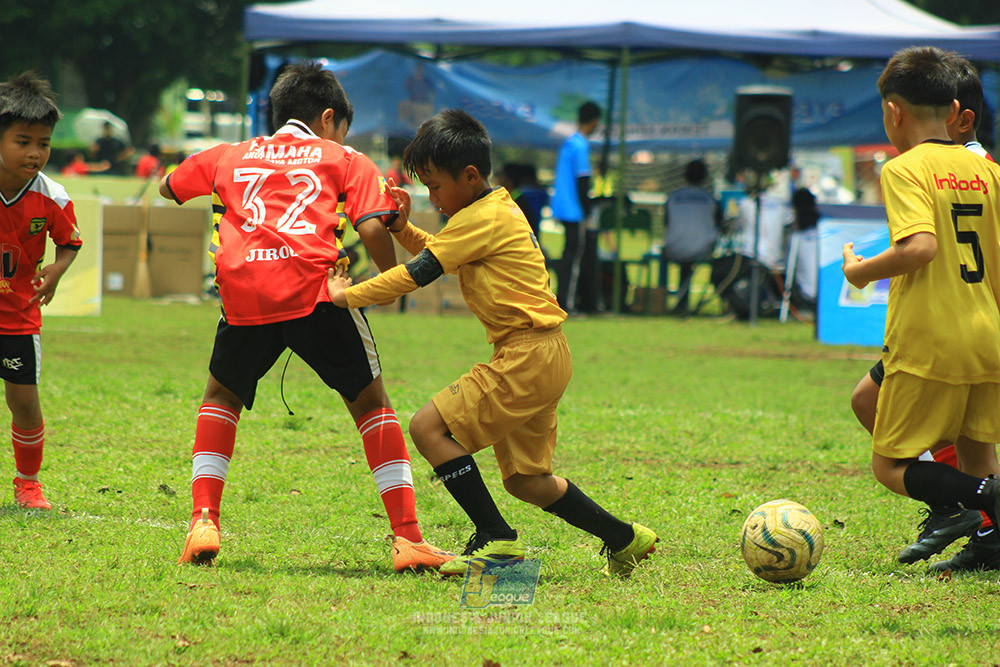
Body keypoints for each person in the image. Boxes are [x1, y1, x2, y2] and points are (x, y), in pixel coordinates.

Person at [326, 109, 657, 577]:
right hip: (545, 353)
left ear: (470, 175)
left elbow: (420, 274)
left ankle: (496, 538)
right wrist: (402, 229)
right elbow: (448, 253)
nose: (432, 197)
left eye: (435, 187)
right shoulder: (489, 210)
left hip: (526, 354)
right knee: (527, 480)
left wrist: (347, 297)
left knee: (426, 428)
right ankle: (625, 538)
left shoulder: (483, 217)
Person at [159, 61, 453, 572]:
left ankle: (204, 519)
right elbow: (372, 228)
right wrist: (391, 282)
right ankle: (408, 539)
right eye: (342, 127)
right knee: (371, 406)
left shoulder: (229, 155)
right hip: (317, 294)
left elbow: (168, 187)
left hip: (244, 295)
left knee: (221, 397)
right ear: (327, 117)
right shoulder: (345, 158)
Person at [841, 46, 1000, 574]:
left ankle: (962, 506)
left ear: (893, 112)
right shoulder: (987, 171)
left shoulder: (904, 168)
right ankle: (991, 541)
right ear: (954, 113)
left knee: (889, 464)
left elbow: (920, 248)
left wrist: (860, 271)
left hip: (932, 334)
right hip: (987, 333)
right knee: (977, 450)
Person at [0, 72, 83, 510]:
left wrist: (57, 269)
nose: (35, 153)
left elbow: (69, 242)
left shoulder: (52, 196)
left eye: (44, 143)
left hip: (17, 314)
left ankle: (28, 484)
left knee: (25, 403)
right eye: (23, 141)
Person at [552, 101, 601, 313]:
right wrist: (588, 211)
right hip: (575, 209)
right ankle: (567, 303)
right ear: (595, 121)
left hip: (562, 206)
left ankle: (569, 299)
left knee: (568, 254)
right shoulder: (581, 145)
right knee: (574, 258)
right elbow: (583, 182)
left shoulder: (569, 142)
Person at [659, 159, 721, 315]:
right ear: (705, 177)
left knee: (678, 258)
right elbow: (719, 226)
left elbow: (666, 223)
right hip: (703, 251)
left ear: (684, 176)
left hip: (673, 249)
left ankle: (663, 301)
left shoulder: (673, 197)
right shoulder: (711, 200)